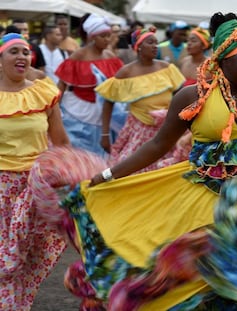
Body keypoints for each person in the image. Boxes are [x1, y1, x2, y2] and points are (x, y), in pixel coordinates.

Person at [32, 12, 237, 310]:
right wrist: (107, 174)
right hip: (200, 199)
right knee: (194, 277)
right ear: (223, 58)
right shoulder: (193, 96)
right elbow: (157, 146)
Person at [0, 33, 70, 310]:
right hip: (1, 186)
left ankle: (19, 303)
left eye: (25, 52)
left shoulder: (43, 92)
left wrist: (67, 177)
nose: (21, 56)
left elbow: (61, 142)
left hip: (34, 187)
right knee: (5, 258)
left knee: (32, 254)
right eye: (13, 51)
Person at [96, 26, 185, 171]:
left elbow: (181, 97)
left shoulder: (167, 68)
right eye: (150, 42)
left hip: (166, 129)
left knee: (165, 169)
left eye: (156, 43)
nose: (155, 46)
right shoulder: (126, 72)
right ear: (138, 47)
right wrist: (105, 134)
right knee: (129, 168)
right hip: (139, 129)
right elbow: (108, 101)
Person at [54, 13, 123, 156]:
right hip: (79, 111)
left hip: (107, 111)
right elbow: (62, 85)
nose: (107, 39)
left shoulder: (110, 56)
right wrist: (54, 111)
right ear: (92, 37)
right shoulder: (78, 55)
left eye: (108, 35)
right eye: (102, 36)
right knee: (80, 151)